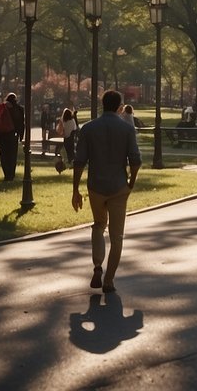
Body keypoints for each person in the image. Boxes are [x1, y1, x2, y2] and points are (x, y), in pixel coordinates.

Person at [71, 90, 141, 294]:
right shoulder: (127, 129)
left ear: (102, 104)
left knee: (98, 225)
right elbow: (136, 160)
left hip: (96, 186)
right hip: (119, 186)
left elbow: (79, 162)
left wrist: (75, 189)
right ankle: (109, 280)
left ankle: (97, 266)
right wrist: (131, 182)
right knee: (117, 236)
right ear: (120, 107)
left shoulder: (89, 128)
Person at [0, 93, 22, 181]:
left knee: (3, 155)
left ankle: (6, 174)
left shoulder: (1, 107)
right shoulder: (19, 109)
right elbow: (21, 123)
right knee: (12, 155)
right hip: (13, 135)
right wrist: (21, 135)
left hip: (2, 135)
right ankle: (11, 174)